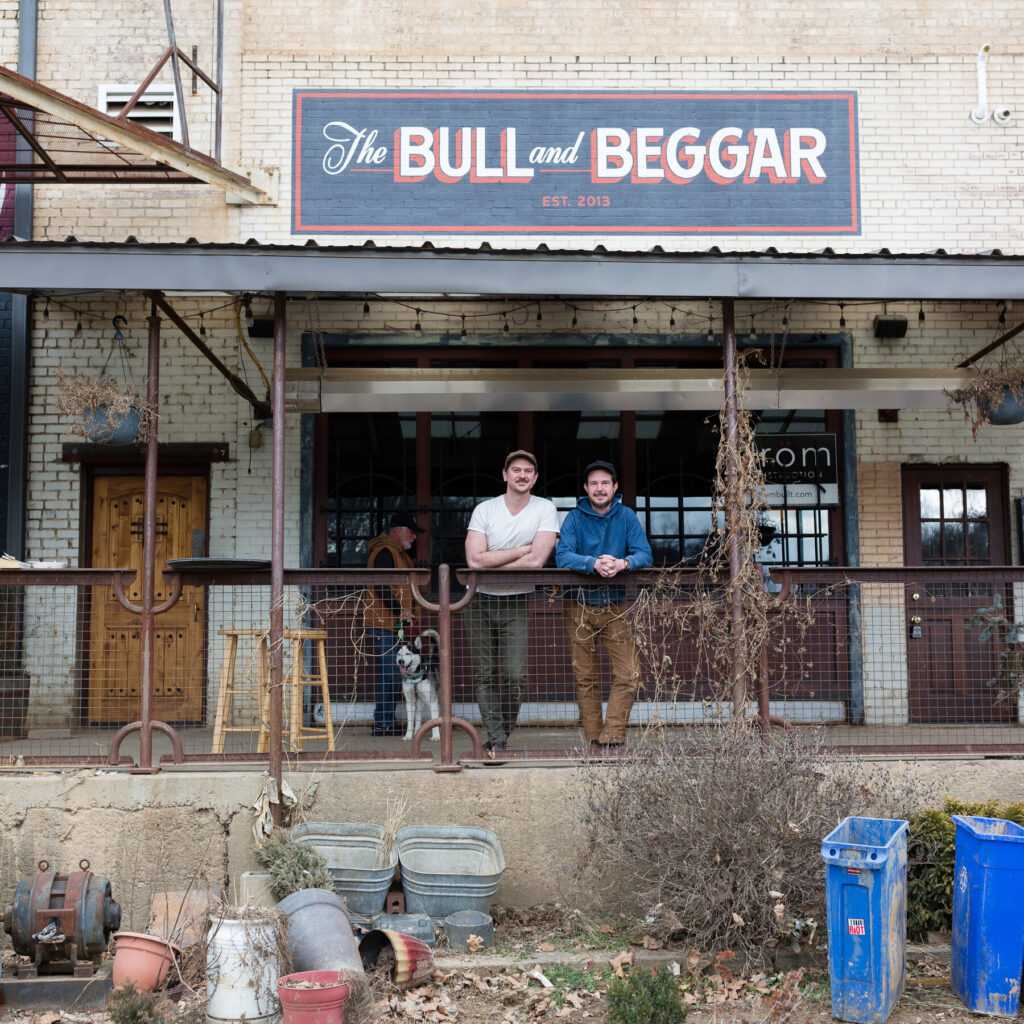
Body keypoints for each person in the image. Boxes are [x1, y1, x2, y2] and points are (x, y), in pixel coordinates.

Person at [465, 450, 559, 753]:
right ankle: (497, 739)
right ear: (505, 475)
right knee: (485, 675)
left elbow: (536, 562)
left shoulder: (545, 508)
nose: (522, 475)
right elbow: (474, 559)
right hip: (478, 599)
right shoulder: (485, 509)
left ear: (535, 478)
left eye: (528, 471)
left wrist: (491, 561)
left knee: (515, 675)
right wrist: (521, 550)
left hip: (517, 600)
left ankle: (502, 730)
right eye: (516, 469)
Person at [555, 460, 653, 749]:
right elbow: (562, 556)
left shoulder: (626, 517)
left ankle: (612, 736)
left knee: (628, 673)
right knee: (585, 677)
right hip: (578, 605)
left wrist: (623, 563)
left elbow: (644, 554)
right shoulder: (574, 517)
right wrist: (592, 563)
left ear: (615, 487)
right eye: (594, 483)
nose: (600, 488)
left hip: (616, 605)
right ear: (586, 488)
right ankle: (594, 739)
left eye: (605, 483)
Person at [364, 511, 424, 736]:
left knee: (392, 672)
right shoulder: (385, 552)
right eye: (411, 532)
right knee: (390, 672)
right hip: (384, 623)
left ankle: (386, 720)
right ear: (399, 531)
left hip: (392, 624)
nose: (414, 537)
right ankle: (382, 722)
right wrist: (402, 610)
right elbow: (381, 586)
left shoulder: (397, 553)